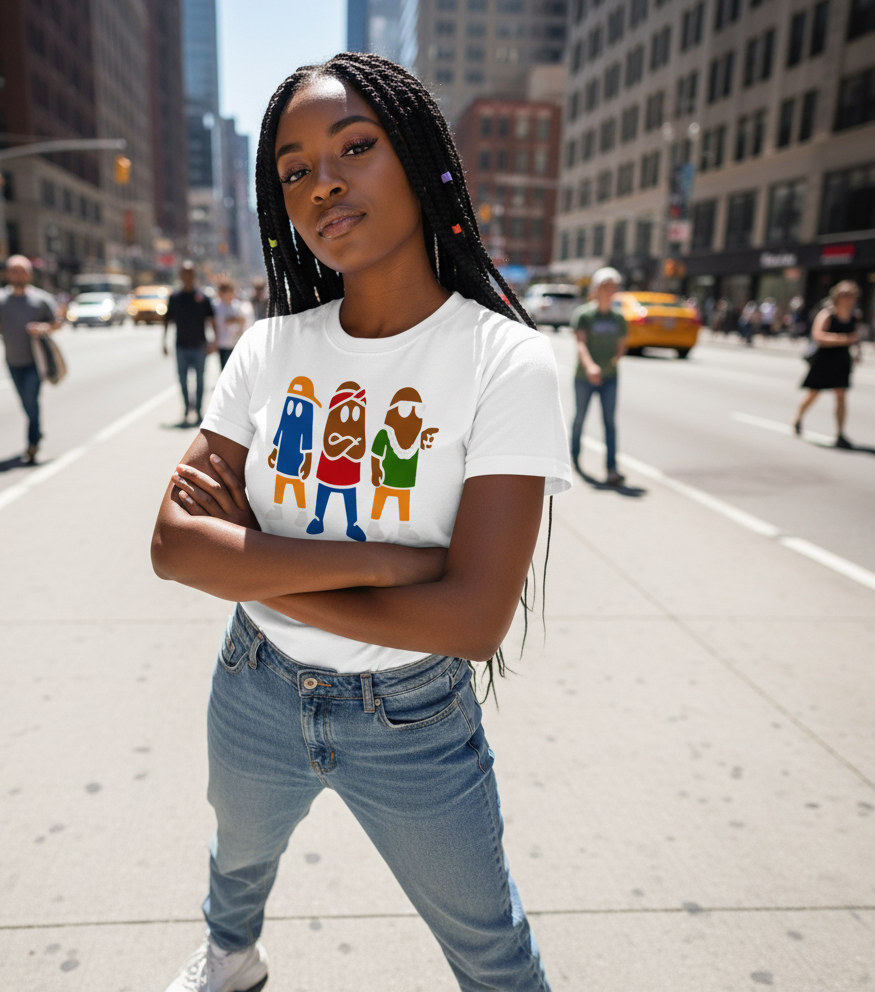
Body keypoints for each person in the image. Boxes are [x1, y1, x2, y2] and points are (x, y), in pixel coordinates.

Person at [150, 52, 572, 992]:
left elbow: (471, 623)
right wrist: (387, 565)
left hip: (412, 718)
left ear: (419, 156)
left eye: (355, 146)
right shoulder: (269, 347)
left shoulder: (506, 362)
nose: (322, 181)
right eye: (294, 170)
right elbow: (175, 547)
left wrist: (254, 560)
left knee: (493, 952)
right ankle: (232, 956)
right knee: (237, 851)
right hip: (253, 683)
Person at [0, 255, 59, 464]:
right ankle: (37, 431)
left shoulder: (41, 299)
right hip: (13, 361)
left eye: (21, 270)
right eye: (13, 270)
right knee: (25, 402)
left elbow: (56, 322)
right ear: (7, 274)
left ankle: (32, 443)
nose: (17, 274)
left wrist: (43, 327)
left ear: (29, 274)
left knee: (31, 400)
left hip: (36, 361)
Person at [569, 266, 628, 486]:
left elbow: (622, 346)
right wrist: (591, 367)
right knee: (580, 419)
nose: (609, 291)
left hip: (610, 378)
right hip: (584, 377)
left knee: (610, 423)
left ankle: (612, 468)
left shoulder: (618, 317)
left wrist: (611, 363)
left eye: (613, 287)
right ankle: (573, 458)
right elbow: (581, 344)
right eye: (605, 287)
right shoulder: (584, 315)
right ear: (596, 289)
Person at [794, 280, 861, 449]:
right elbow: (818, 336)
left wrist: (857, 351)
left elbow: (855, 337)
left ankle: (840, 433)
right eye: (845, 295)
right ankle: (798, 418)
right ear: (837, 296)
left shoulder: (854, 317)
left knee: (840, 395)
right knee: (814, 392)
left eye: (851, 295)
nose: (848, 298)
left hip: (842, 359)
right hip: (824, 359)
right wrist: (842, 339)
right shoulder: (827, 314)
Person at [163, 261, 215, 426]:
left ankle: (198, 410)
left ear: (194, 275)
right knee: (183, 380)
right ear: (180, 275)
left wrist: (215, 340)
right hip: (181, 347)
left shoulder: (202, 297)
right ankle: (187, 408)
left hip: (199, 346)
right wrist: (163, 341)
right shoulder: (175, 297)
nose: (187, 276)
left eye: (190, 272)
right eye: (184, 273)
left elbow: (211, 319)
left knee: (200, 381)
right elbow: (167, 320)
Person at [211, 277, 251, 369]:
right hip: (222, 344)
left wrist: (235, 320)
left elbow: (244, 321)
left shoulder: (237, 305)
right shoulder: (216, 306)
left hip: (235, 343)